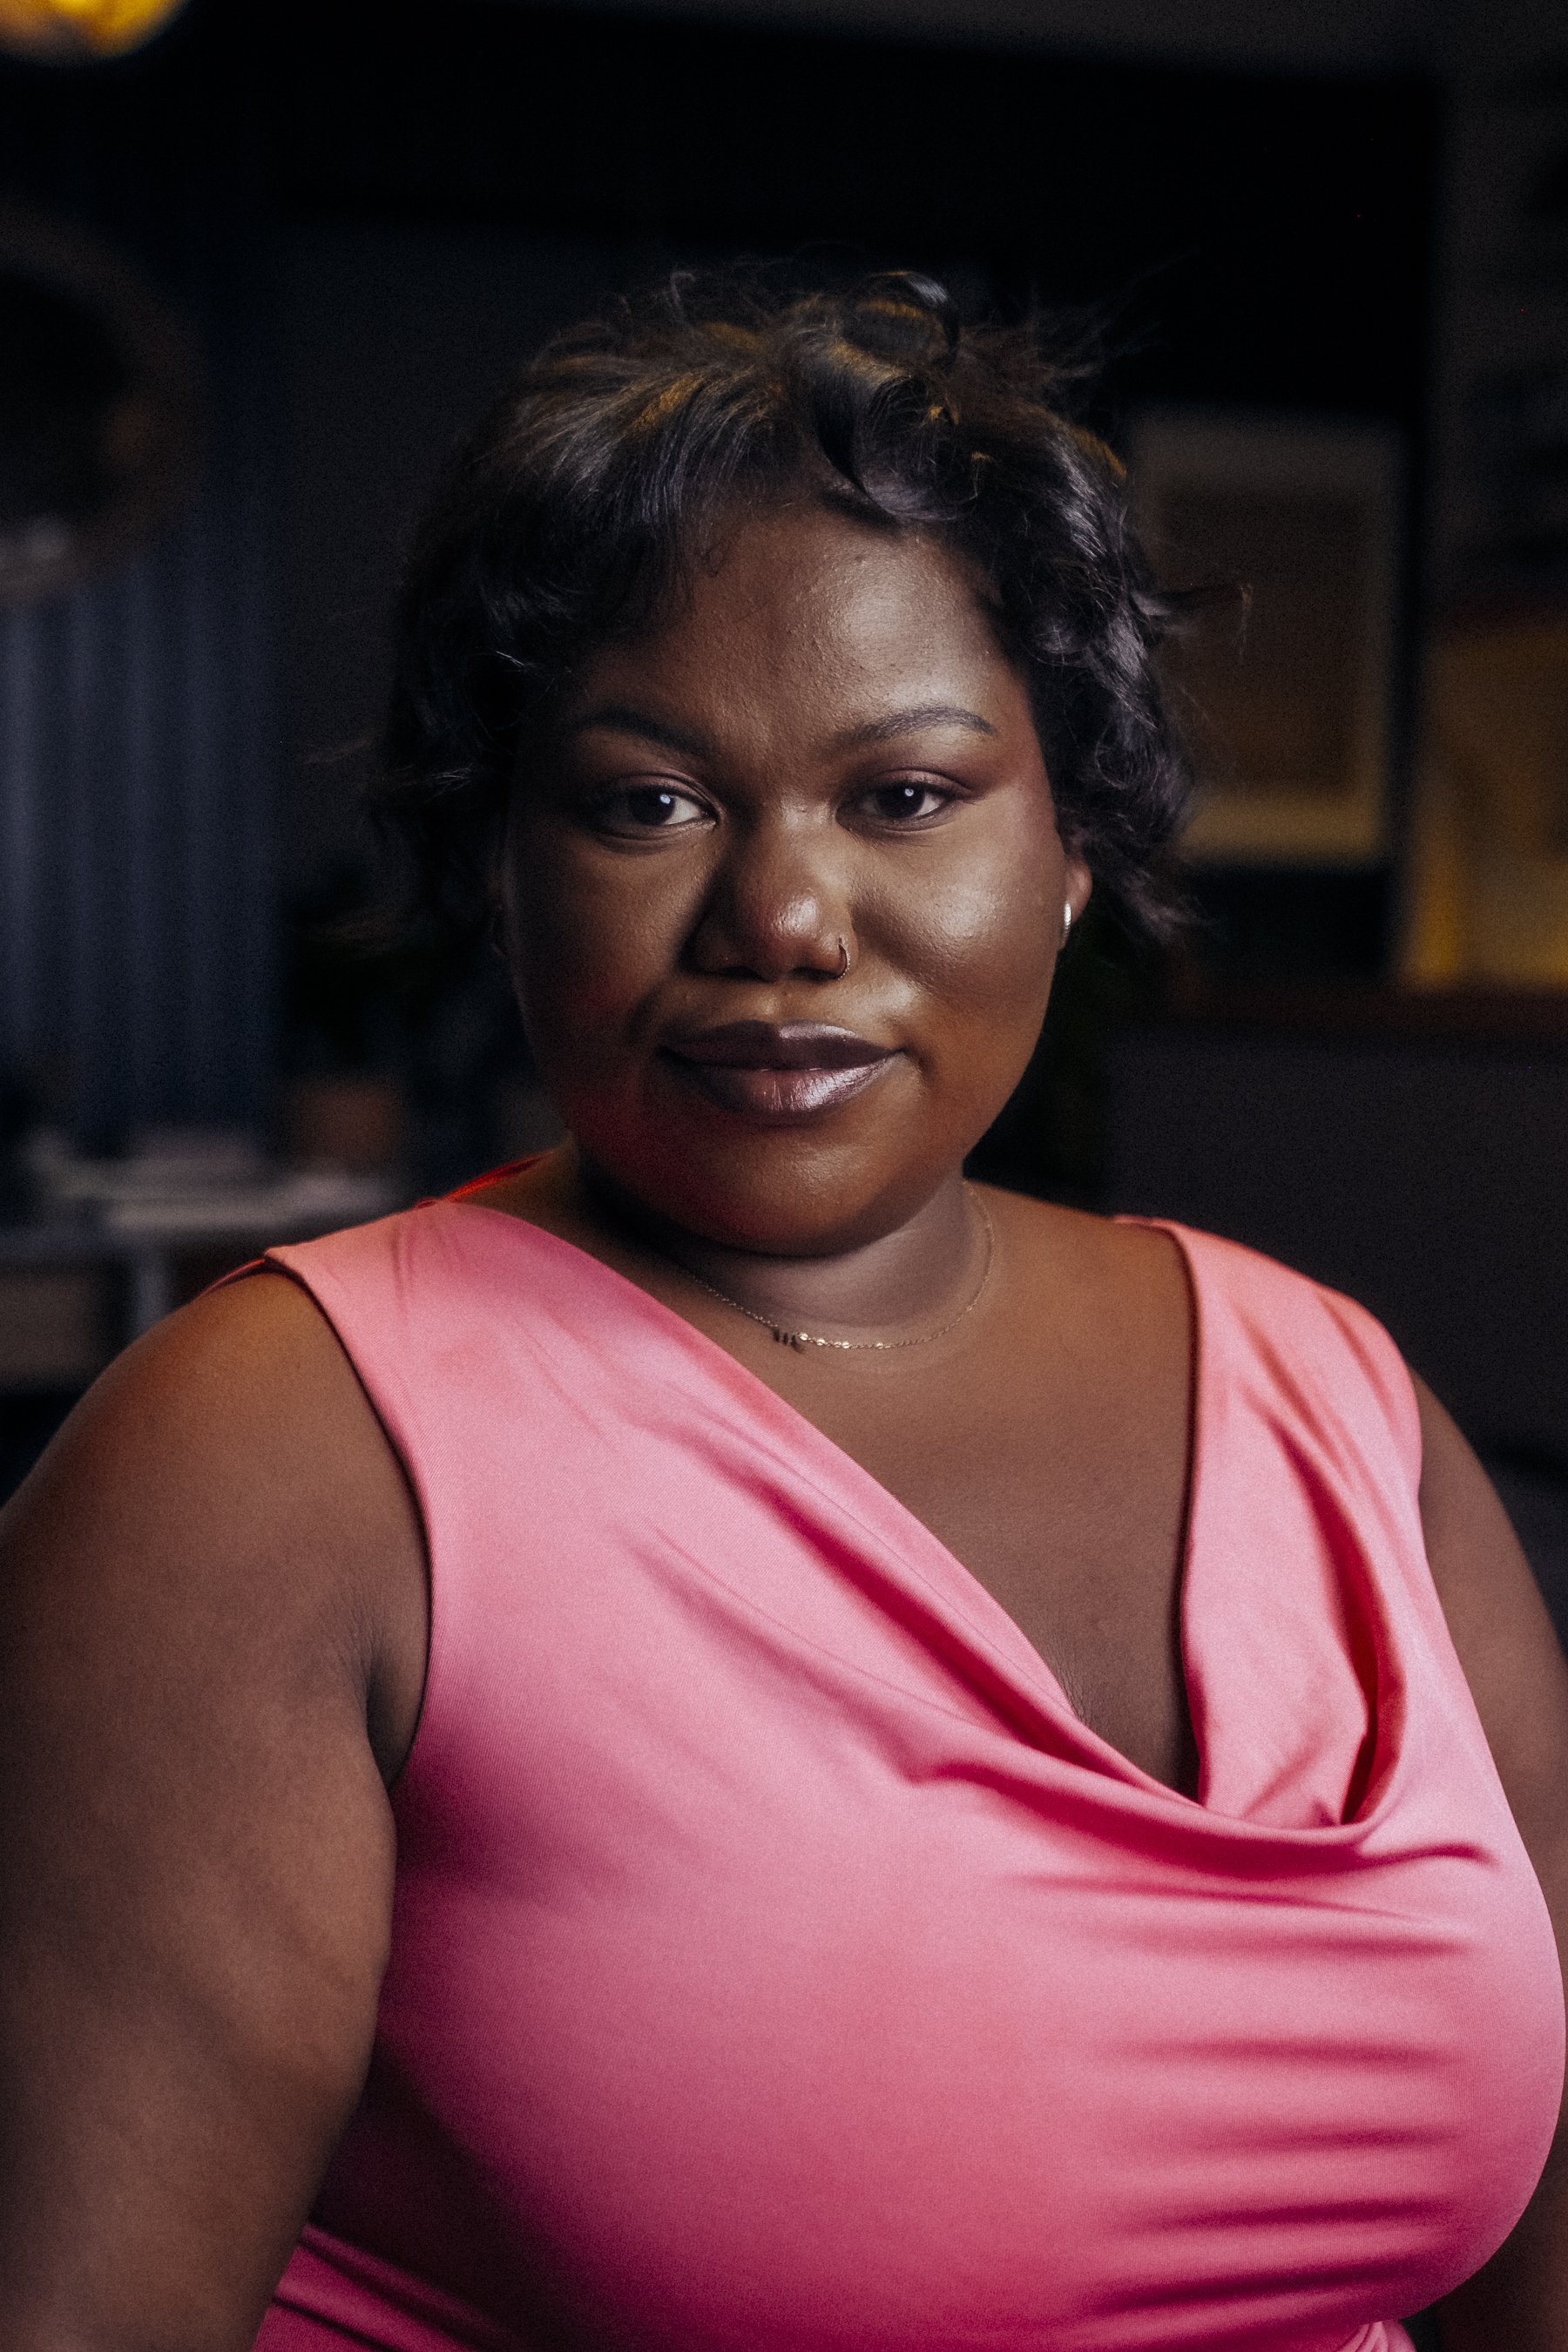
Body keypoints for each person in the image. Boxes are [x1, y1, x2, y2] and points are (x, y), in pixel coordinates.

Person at [0, 272, 1563, 2352]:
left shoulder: (1337, 1399)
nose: (784, 919)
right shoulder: (276, 1461)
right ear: (505, 859)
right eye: (648, 800)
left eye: (905, 796)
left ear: (1073, 840)